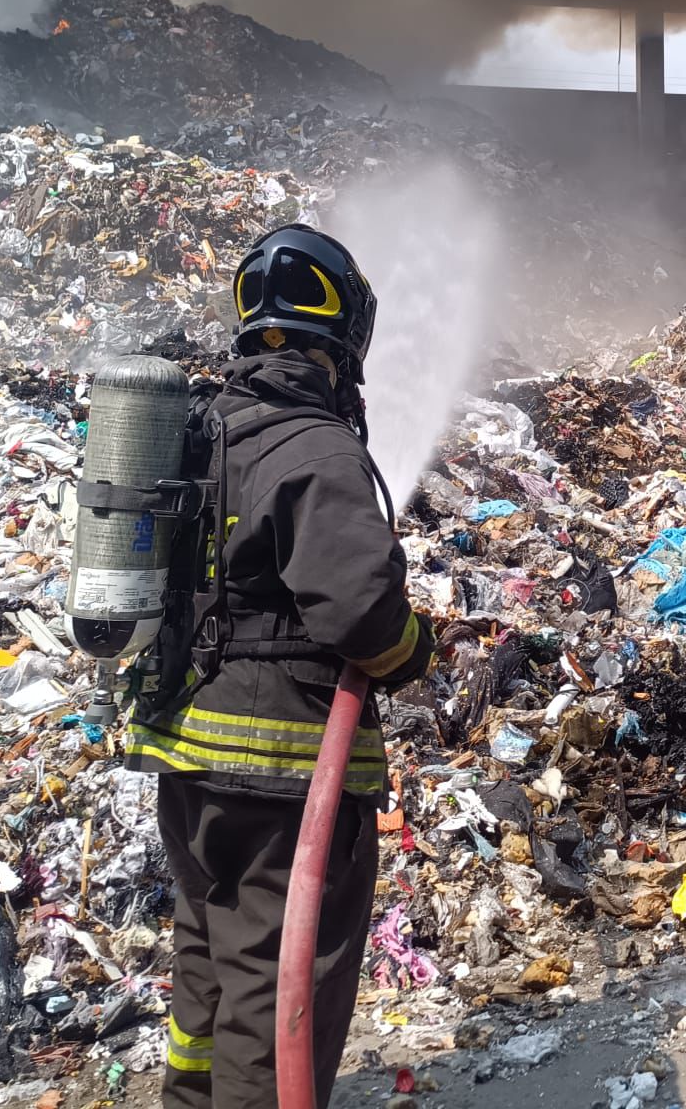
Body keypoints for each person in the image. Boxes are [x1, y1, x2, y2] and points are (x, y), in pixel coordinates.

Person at [126, 223, 435, 1109]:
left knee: (209, 963)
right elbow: (361, 613)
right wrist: (415, 650)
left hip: (187, 758)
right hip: (283, 774)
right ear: (347, 334)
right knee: (277, 987)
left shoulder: (204, 431)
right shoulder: (318, 447)